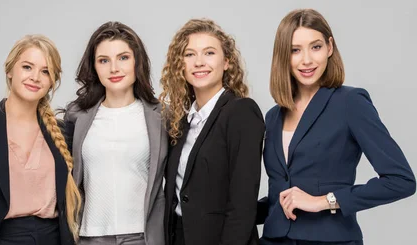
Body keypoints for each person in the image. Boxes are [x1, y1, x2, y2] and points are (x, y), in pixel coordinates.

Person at [257, 8, 416, 245]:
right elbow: (280, 195)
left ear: (330, 47)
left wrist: (324, 201)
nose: (307, 60)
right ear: (283, 56)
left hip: (330, 240)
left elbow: (401, 180)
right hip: (274, 241)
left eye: (316, 47)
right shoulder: (273, 116)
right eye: (295, 50)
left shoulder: (350, 103)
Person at [0, 34, 81, 245]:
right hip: (0, 238)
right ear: (10, 70)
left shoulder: (63, 132)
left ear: (52, 82)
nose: (35, 77)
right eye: (27, 67)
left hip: (54, 239)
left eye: (45, 71)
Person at [160, 18, 265, 245]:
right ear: (181, 65)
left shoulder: (241, 112)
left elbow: (242, 204)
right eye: (189, 55)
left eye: (209, 53)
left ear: (226, 62)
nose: (199, 62)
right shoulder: (180, 121)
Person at [63, 21, 167, 245]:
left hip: (143, 237)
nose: (114, 68)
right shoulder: (76, 116)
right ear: (94, 67)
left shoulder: (161, 117)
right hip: (89, 236)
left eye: (123, 57)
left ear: (137, 61)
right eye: (104, 60)